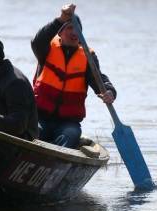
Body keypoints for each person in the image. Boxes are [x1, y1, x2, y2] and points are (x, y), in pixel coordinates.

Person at [31, 4, 117, 149]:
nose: (74, 32)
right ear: (60, 33)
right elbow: (37, 41)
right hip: (41, 117)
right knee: (34, 132)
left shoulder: (88, 57)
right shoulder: (46, 49)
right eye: (69, 28)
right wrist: (61, 19)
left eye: (77, 29)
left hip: (68, 123)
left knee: (70, 136)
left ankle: (55, 163)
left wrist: (109, 91)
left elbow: (99, 81)